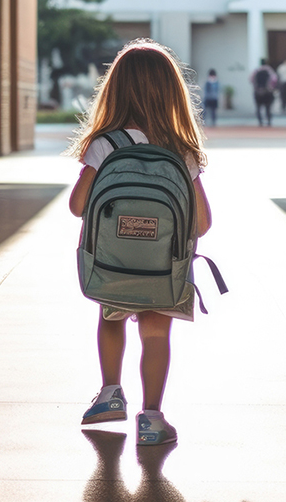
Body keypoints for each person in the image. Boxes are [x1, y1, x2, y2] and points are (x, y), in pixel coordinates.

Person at [67, 38, 213, 446]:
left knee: (111, 318)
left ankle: (110, 393)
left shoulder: (104, 146)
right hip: (162, 267)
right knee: (155, 333)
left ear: (114, 91)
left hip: (113, 263)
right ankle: (151, 418)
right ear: (172, 94)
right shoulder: (180, 151)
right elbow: (202, 223)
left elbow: (78, 207)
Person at [250, 59, 278, 126]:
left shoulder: (256, 71)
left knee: (258, 108)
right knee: (268, 108)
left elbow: (251, 79)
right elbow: (274, 79)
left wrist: (256, 88)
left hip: (258, 92)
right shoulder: (270, 71)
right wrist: (271, 88)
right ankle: (269, 121)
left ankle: (260, 121)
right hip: (267, 92)